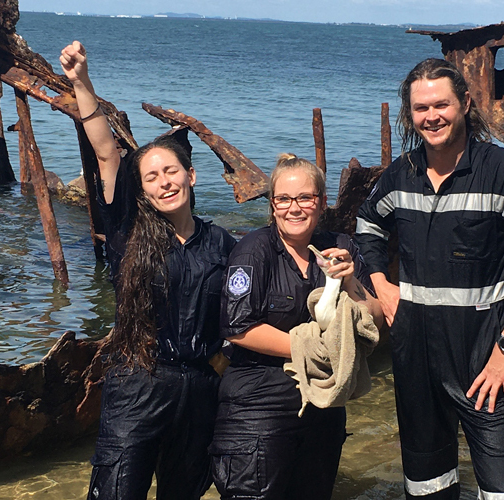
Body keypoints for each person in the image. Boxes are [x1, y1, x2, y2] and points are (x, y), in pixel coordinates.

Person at [355, 58, 504, 500]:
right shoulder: (400, 174)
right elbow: (367, 226)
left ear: (465, 103)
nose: (431, 117)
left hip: (484, 362)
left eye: (441, 105)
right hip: (416, 360)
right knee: (426, 487)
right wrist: (381, 282)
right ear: (410, 114)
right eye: (421, 108)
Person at [60, 41, 236, 500]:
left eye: (171, 172)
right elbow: (106, 152)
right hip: (139, 383)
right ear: (141, 190)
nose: (164, 182)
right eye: (152, 177)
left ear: (191, 176)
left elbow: (245, 312)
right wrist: (81, 81)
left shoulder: (222, 243)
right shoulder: (127, 229)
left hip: (200, 388)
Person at [209, 153, 383, 500]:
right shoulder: (253, 251)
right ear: (273, 205)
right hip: (259, 404)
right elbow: (238, 327)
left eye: (305, 197)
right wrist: (313, 349)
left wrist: (350, 282)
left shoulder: (341, 247)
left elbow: (375, 319)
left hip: (322, 405)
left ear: (321, 202)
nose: (294, 208)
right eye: (284, 199)